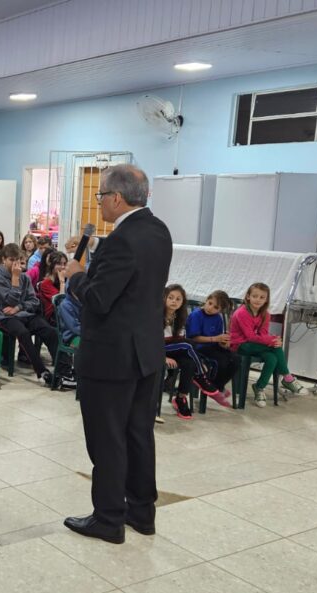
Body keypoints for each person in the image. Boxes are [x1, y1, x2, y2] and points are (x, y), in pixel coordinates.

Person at [62, 164, 171, 544]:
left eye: (100, 196)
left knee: (107, 438)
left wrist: (76, 274)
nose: (100, 203)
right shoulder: (158, 231)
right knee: (138, 434)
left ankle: (108, 518)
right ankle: (142, 513)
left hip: (111, 359)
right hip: (145, 354)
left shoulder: (121, 241)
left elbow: (98, 299)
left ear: (117, 198)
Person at [0, 243, 59, 385]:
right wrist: (15, 280)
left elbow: (34, 301)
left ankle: (62, 369)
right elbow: (9, 301)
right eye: (11, 260)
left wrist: (19, 307)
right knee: (23, 333)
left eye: (18, 260)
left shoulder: (24, 278)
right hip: (5, 318)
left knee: (50, 331)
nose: (15, 264)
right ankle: (42, 372)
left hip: (23, 314)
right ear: (3, 260)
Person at [230, 282, 308, 406]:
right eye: (255, 296)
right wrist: (272, 341)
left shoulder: (265, 314)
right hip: (239, 345)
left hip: (254, 345)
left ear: (266, 300)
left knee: (272, 357)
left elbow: (263, 334)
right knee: (275, 347)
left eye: (262, 297)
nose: (258, 300)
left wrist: (273, 340)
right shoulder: (242, 313)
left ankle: (259, 387)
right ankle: (288, 377)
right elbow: (250, 336)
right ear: (248, 297)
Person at [162, 284, 222, 419]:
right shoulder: (156, 314)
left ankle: (180, 398)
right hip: (159, 349)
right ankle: (201, 376)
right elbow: (150, 341)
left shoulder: (180, 316)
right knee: (188, 345)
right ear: (164, 298)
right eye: (170, 297)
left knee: (189, 362)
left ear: (182, 302)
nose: (174, 301)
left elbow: (179, 339)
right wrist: (162, 357)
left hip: (175, 348)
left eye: (178, 299)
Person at [186, 290, 239, 400]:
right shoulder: (196, 315)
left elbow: (218, 338)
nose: (211, 308)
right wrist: (216, 339)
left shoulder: (218, 318)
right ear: (206, 300)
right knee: (221, 361)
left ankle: (218, 386)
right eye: (210, 303)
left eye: (216, 308)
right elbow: (194, 338)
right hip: (198, 348)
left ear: (220, 310)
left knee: (236, 359)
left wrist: (224, 342)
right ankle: (212, 386)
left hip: (212, 346)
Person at [37, 251, 68, 323]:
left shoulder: (67, 279)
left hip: (66, 314)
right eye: (59, 264)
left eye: (64, 264)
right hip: (54, 318)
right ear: (51, 265)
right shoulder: (45, 284)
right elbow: (60, 302)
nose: (63, 267)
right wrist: (62, 282)